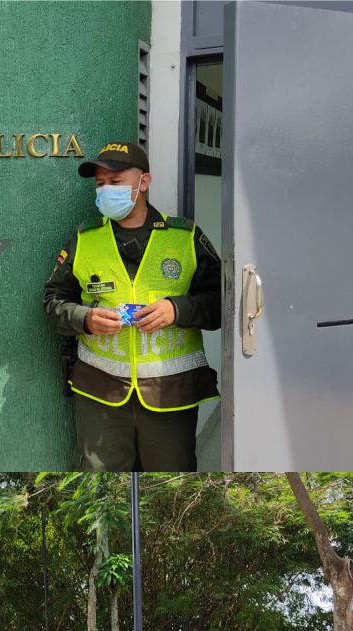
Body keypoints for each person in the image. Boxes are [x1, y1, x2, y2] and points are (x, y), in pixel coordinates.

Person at [43, 141, 225, 472]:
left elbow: (222, 303)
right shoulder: (84, 240)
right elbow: (53, 300)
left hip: (170, 395)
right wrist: (84, 318)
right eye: (100, 184)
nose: (105, 190)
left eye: (115, 182)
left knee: (169, 483)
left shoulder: (185, 238)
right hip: (99, 394)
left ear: (144, 182)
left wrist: (177, 309)